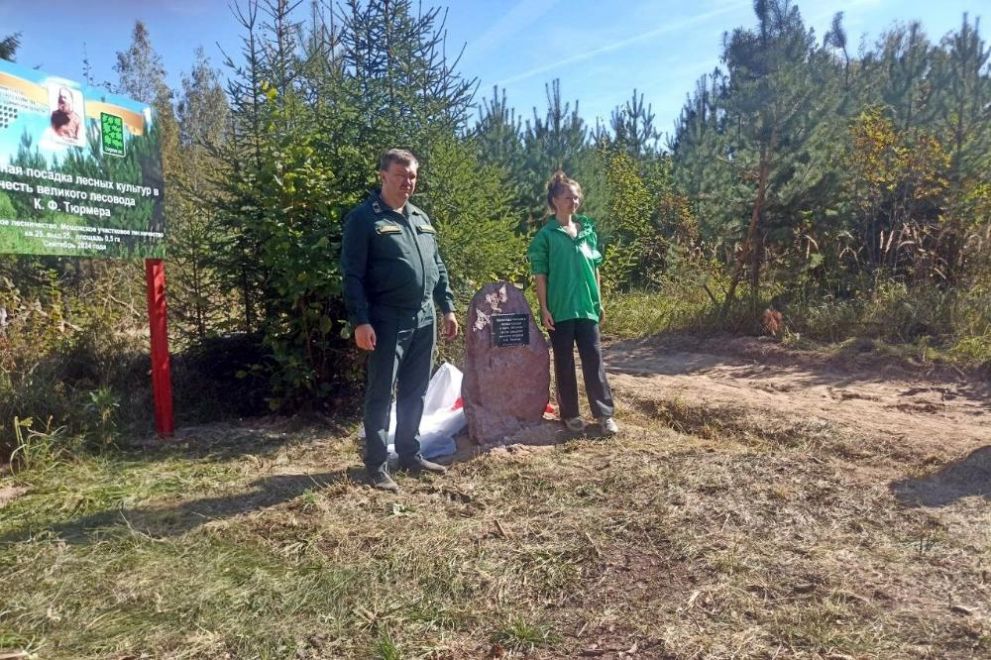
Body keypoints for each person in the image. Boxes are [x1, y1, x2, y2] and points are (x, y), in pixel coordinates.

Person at [341, 148, 459, 492]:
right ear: (383, 176)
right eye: (400, 175)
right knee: (381, 392)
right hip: (386, 319)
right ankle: (376, 465)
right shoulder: (365, 219)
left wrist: (447, 307)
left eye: (412, 176)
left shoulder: (420, 217)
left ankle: (410, 453)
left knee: (416, 390)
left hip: (425, 318)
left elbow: (438, 266)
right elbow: (352, 275)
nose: (408, 182)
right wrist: (360, 321)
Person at [527, 171, 618, 435]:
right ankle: (570, 415)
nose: (574, 201)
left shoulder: (587, 232)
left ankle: (604, 415)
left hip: (587, 308)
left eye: (576, 197)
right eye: (568, 197)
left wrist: (598, 301)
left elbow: (595, 268)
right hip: (560, 309)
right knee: (564, 363)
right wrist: (544, 308)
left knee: (594, 360)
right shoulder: (546, 236)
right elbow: (540, 275)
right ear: (555, 200)